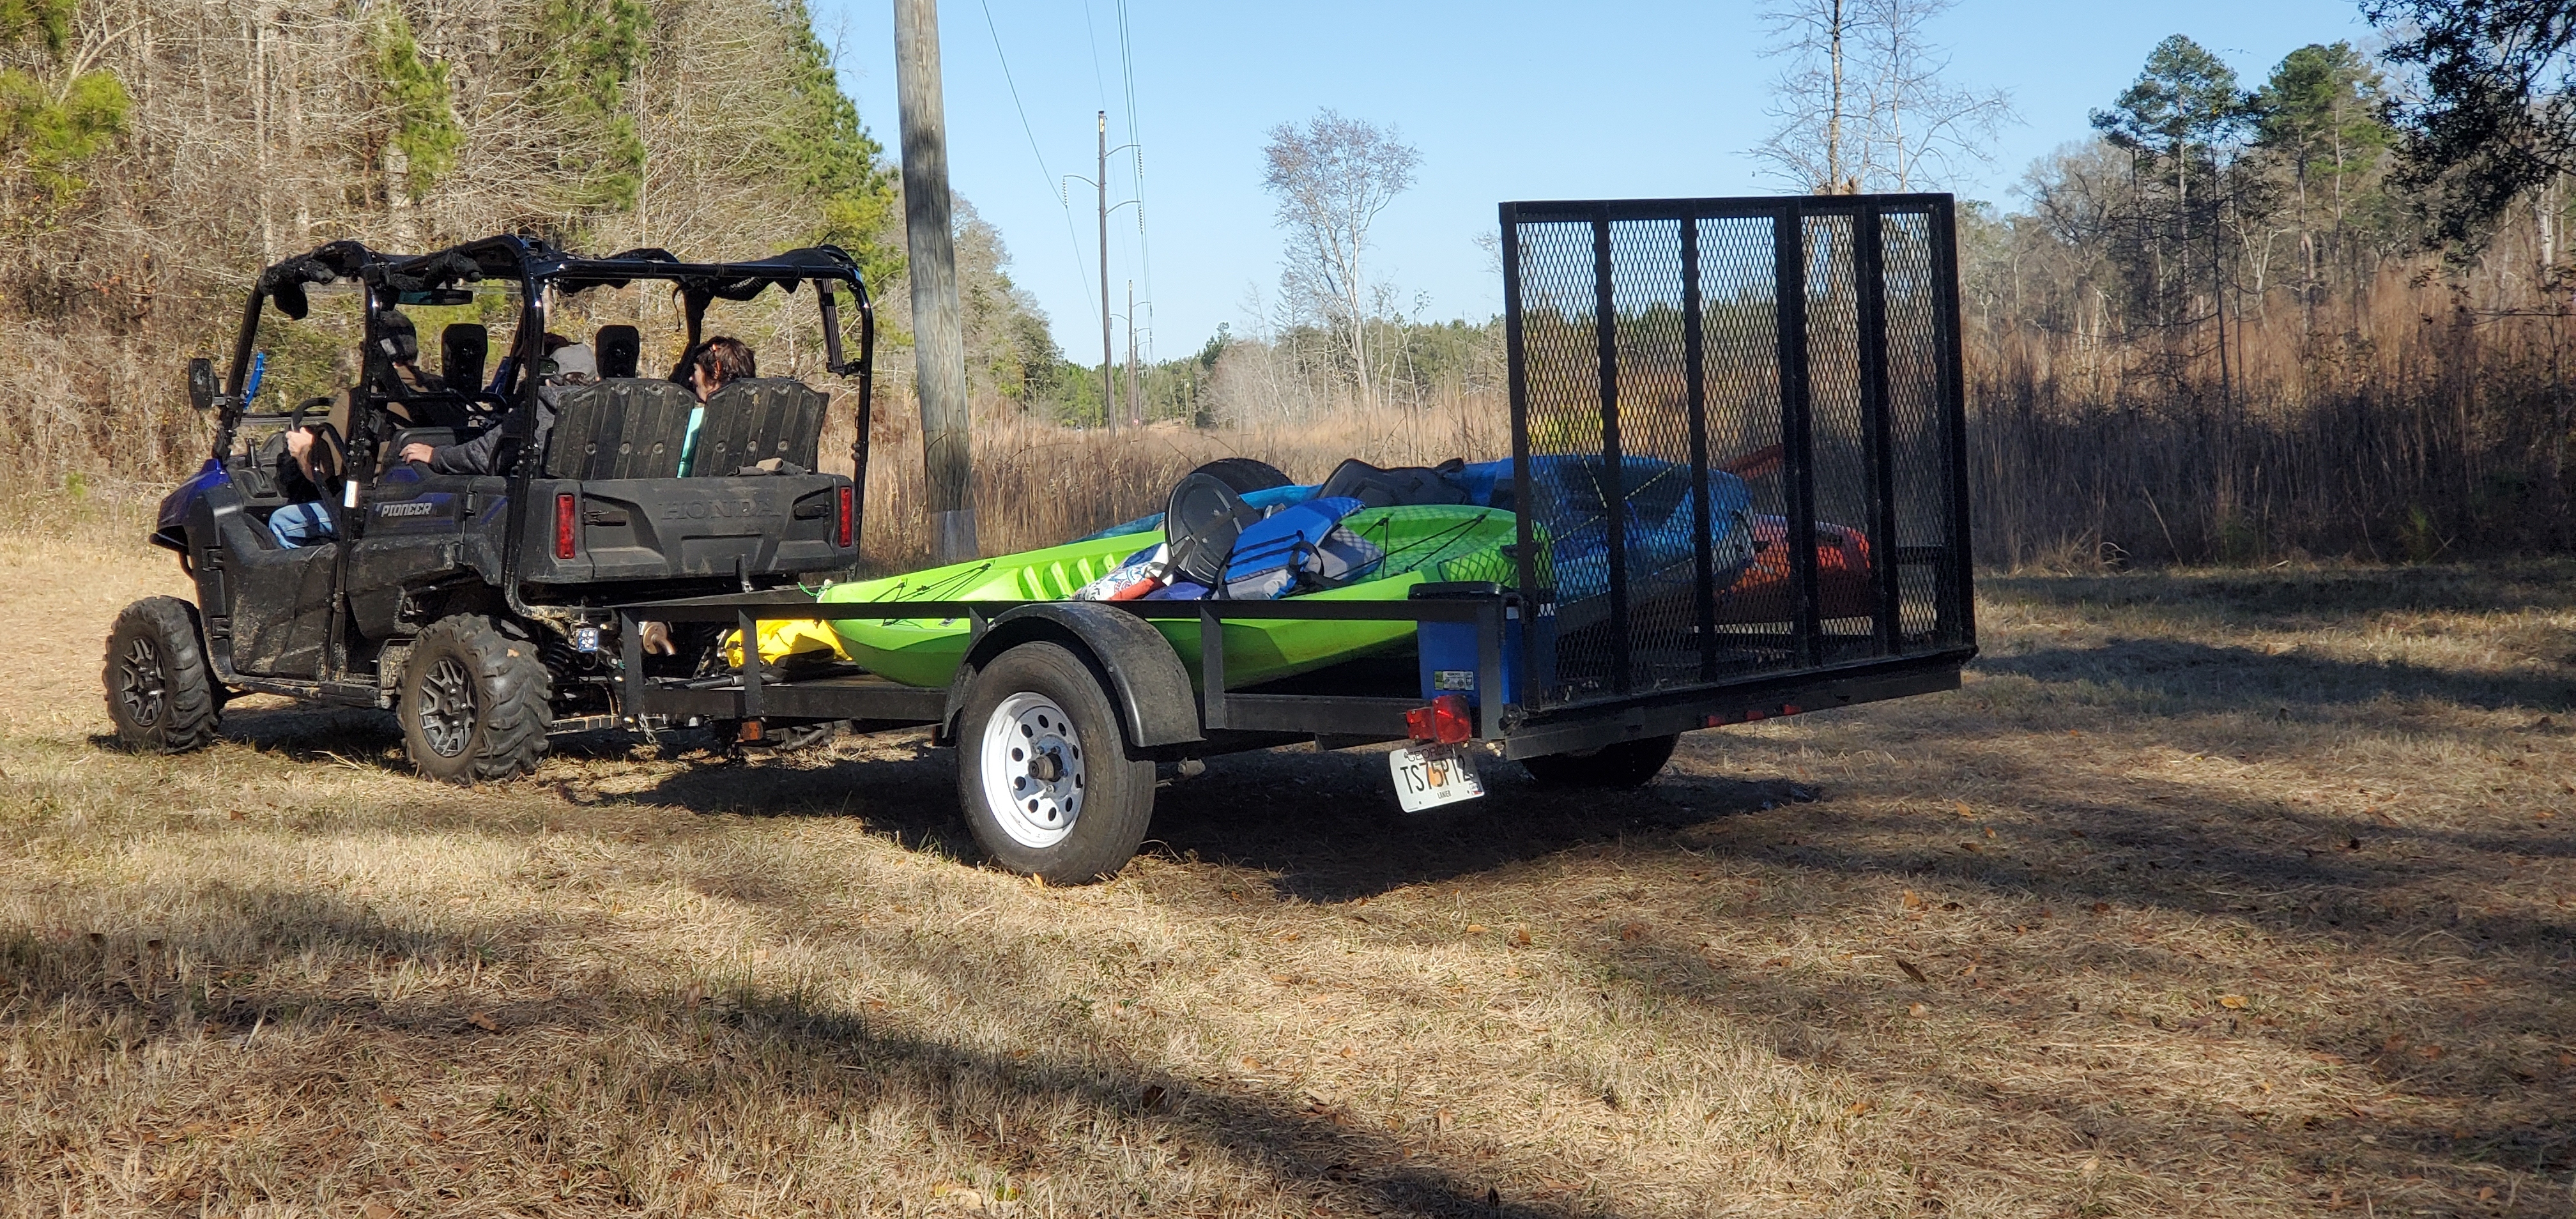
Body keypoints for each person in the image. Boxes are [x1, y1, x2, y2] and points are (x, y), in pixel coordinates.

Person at [397, 336, 590, 475]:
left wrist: (435, 456)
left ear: (548, 381)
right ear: (597, 378)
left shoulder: (540, 408)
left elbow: (483, 456)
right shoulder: (614, 411)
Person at [674, 336, 755, 477]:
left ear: (716, 374)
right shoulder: (760, 422)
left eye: (695, 371)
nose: (691, 378)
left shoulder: (686, 422)